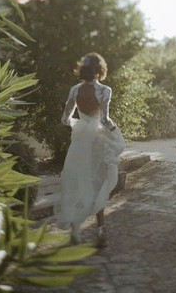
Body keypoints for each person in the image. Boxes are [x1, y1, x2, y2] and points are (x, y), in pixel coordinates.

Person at [56, 52, 125, 246]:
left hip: (79, 141)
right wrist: (113, 131)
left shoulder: (74, 90)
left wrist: (78, 124)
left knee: (77, 180)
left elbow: (64, 119)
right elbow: (104, 119)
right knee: (98, 181)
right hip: (97, 140)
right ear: (99, 70)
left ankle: (75, 232)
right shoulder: (104, 91)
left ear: (83, 69)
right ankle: (101, 230)